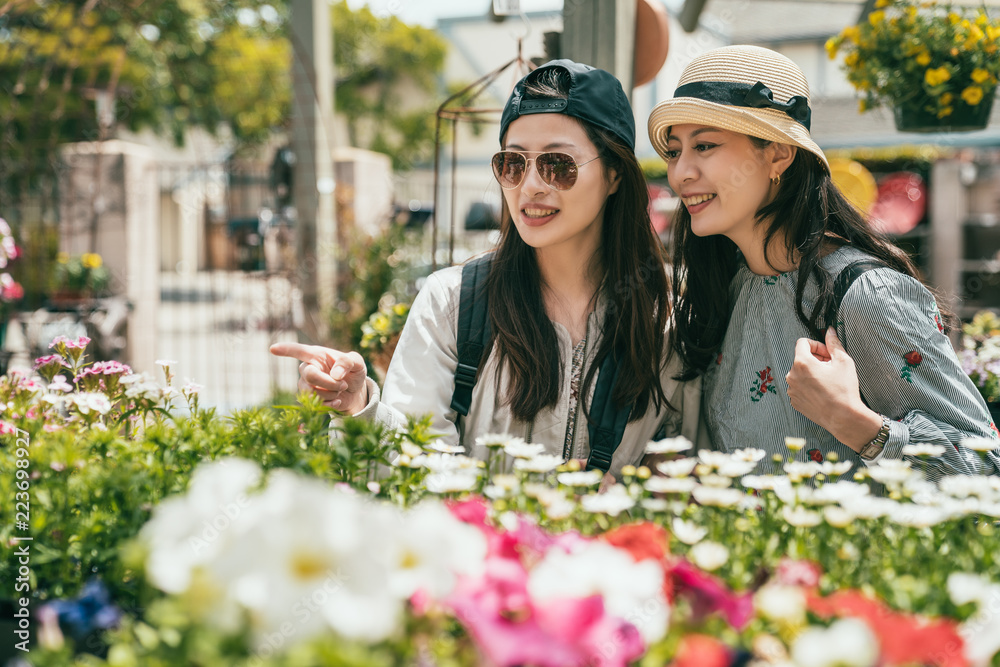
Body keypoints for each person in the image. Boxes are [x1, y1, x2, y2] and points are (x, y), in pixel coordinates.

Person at [271, 60, 705, 481]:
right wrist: (359, 407)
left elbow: (691, 466)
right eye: (513, 164)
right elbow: (410, 466)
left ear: (613, 175)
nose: (531, 184)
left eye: (558, 165)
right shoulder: (454, 302)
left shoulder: (668, 320)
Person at [647, 44, 999, 479]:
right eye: (675, 151)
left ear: (778, 153)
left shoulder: (867, 297)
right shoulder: (728, 286)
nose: (681, 173)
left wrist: (860, 426)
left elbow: (987, 471)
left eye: (704, 146)